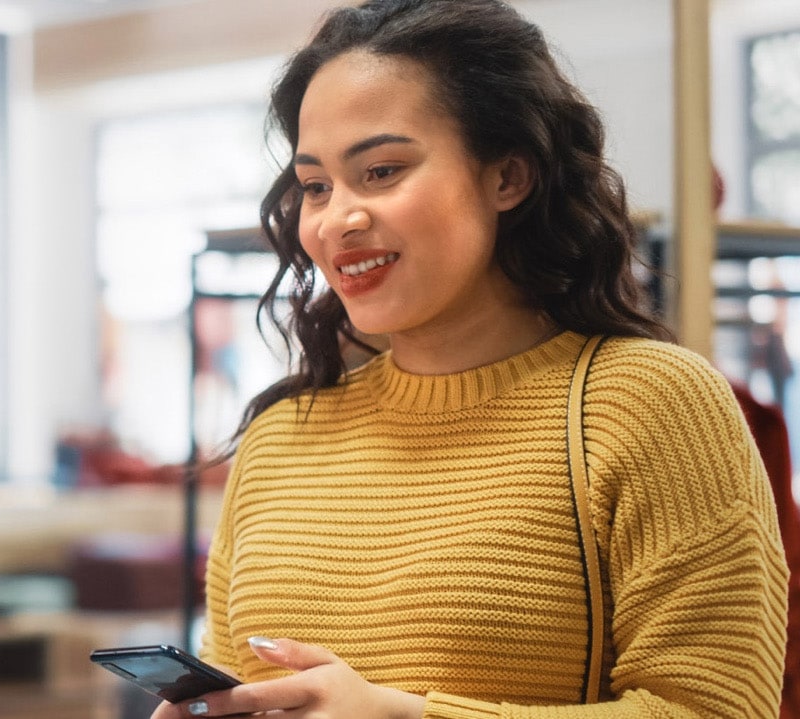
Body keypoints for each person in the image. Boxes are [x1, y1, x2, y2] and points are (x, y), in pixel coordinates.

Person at [153, 0, 789, 717]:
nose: (337, 220)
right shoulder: (278, 438)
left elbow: (715, 710)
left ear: (508, 176)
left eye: (382, 170)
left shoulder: (650, 404)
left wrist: (406, 715)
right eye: (315, 186)